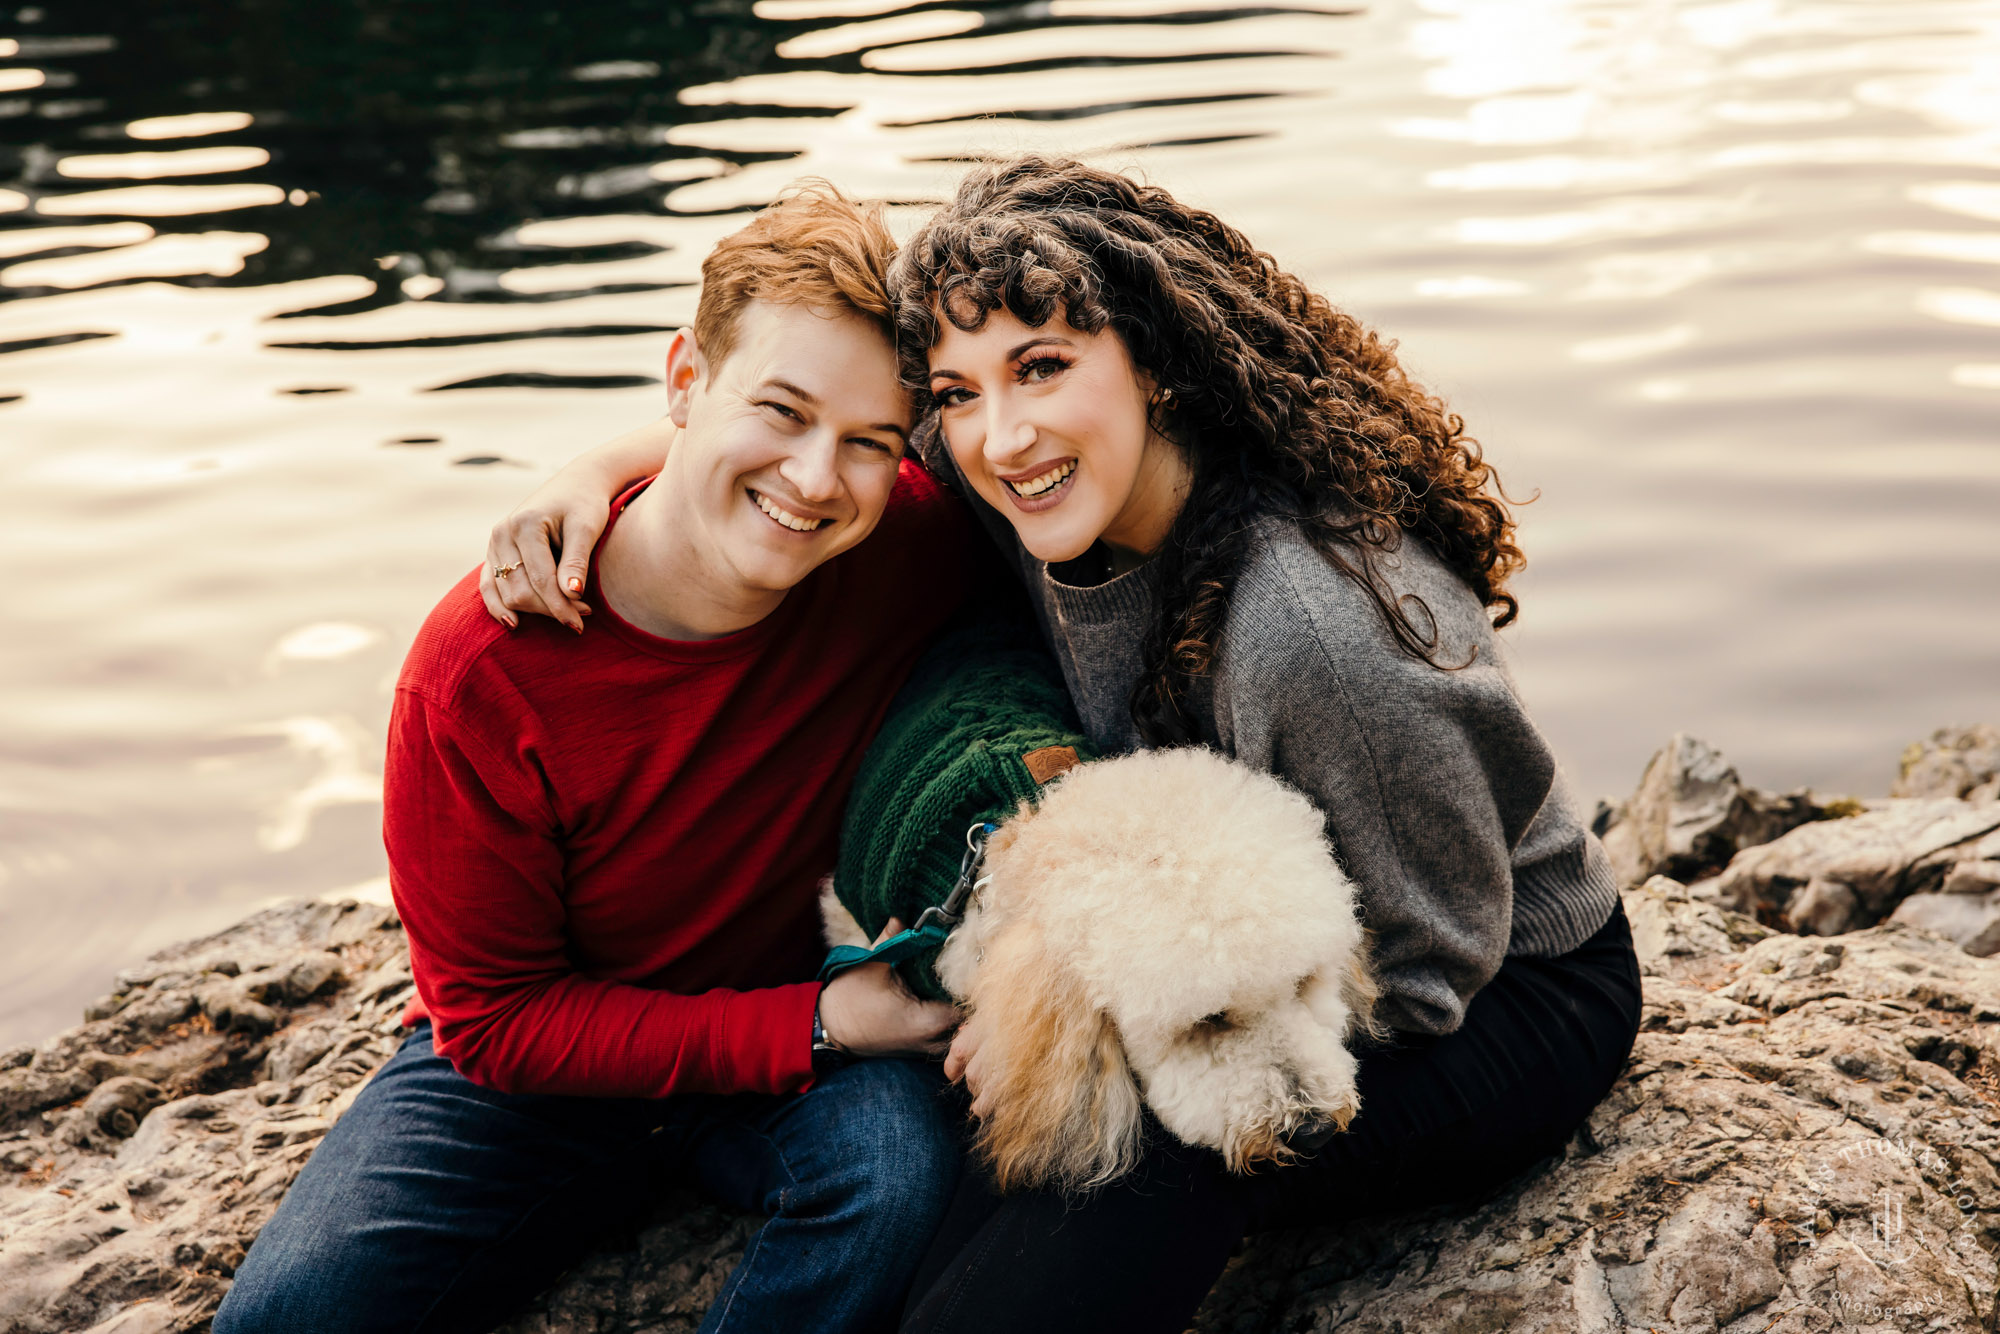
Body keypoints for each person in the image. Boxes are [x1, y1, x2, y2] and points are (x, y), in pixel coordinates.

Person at [481, 156, 1644, 1334]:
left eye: (1042, 366)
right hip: (1229, 964)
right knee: (969, 1189)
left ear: (1154, 361)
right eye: (956, 390)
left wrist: (1072, 1029)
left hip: (1498, 991)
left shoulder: (1309, 629)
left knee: (1129, 1159)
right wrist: (595, 471)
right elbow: (795, 427)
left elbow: (1431, 960)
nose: (1001, 432)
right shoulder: (1014, 478)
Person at [214, 185, 987, 1334]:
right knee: (285, 1320)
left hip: (798, 1026)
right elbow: (492, 1022)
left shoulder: (905, 540)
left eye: (867, 442)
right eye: (779, 409)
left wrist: (818, 1029)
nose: (817, 477)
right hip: (546, 1076)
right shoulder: (482, 669)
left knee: (894, 1179)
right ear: (683, 379)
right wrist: (824, 1022)